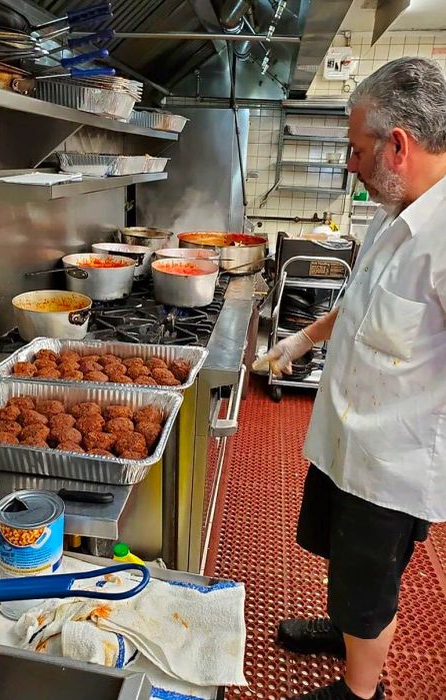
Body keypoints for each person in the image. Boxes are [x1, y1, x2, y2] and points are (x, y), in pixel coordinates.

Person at [254, 56, 446, 700]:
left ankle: (361, 691)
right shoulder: (394, 212)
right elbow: (364, 303)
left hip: (392, 459)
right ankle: (347, 632)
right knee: (347, 563)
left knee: (371, 584)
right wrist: (304, 337)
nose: (350, 163)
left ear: (398, 145)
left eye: (357, 149)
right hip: (347, 436)